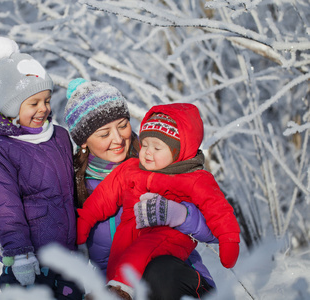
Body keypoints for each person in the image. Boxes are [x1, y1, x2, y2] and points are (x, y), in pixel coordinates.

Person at [63, 78, 219, 300]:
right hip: (119, 292)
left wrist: (181, 215)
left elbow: (217, 229)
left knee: (159, 271)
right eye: (105, 133)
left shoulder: (159, 161)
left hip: (177, 284)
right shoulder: (74, 186)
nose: (118, 139)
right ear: (83, 141)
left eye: (123, 125)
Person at [0, 37, 82, 300]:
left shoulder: (58, 136)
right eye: (33, 103)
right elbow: (3, 205)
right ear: (11, 106)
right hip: (30, 260)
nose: (44, 109)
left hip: (67, 257)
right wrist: (19, 252)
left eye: (46, 100)